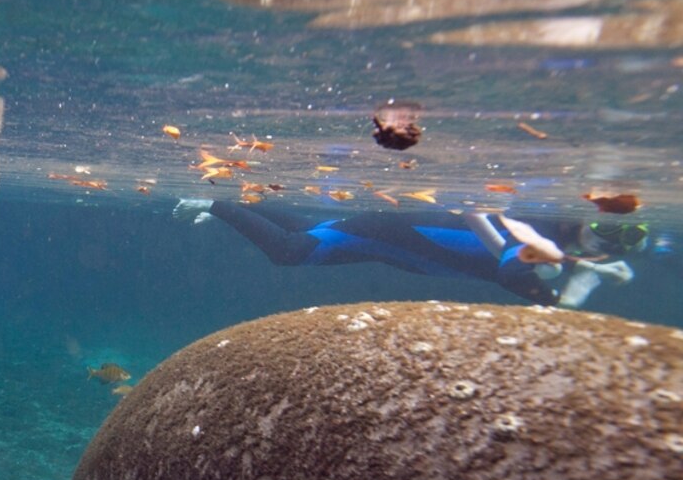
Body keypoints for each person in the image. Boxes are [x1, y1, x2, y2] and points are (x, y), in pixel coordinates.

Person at [174, 198, 647, 308]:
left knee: (308, 229)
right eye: (608, 228)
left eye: (627, 236)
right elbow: (511, 274)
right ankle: (216, 202)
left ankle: (229, 205)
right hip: (389, 232)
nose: (610, 242)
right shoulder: (541, 233)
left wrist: (577, 271)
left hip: (392, 235)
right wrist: (578, 281)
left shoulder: (555, 242)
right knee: (292, 251)